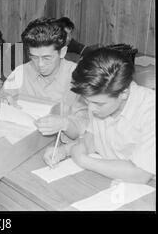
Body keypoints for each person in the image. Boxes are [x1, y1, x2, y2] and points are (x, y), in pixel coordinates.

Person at [43, 48, 155, 184]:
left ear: (124, 93)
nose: (91, 108)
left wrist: (84, 160)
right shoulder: (100, 100)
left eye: (98, 103)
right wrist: (64, 150)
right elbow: (91, 140)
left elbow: (140, 174)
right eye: (86, 100)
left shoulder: (150, 111)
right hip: (113, 180)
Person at [0, 18, 88, 140]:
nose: (40, 65)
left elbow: (84, 130)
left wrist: (64, 124)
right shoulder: (21, 72)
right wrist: (1, 103)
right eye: (34, 57)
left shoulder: (79, 78)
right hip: (23, 142)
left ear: (62, 52)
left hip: (61, 149)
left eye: (47, 58)